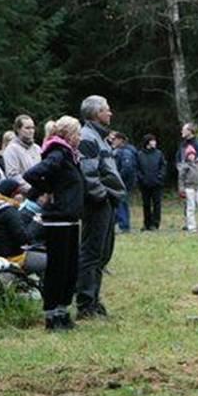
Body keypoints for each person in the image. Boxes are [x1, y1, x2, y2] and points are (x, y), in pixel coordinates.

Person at [24, 115, 85, 331]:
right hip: (57, 220)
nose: (80, 138)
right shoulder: (57, 153)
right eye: (77, 134)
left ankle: (62, 311)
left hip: (70, 218)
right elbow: (32, 174)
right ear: (68, 135)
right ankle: (51, 316)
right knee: (58, 269)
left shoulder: (70, 155)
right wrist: (47, 190)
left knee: (70, 269)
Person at [77, 95, 125, 318]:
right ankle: (86, 305)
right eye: (107, 110)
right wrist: (102, 197)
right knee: (91, 254)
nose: (111, 113)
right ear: (96, 113)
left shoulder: (100, 137)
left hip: (108, 201)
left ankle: (95, 301)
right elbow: (89, 173)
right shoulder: (88, 137)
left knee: (103, 254)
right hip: (98, 204)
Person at [0, 178, 42, 271]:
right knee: (51, 260)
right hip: (12, 258)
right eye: (19, 193)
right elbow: (24, 239)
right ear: (13, 194)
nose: (22, 196)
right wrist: (36, 222)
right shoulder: (9, 211)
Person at [2, 115, 41, 194]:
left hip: (41, 191)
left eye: (33, 128)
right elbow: (13, 175)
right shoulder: (11, 149)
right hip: (24, 195)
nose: (31, 131)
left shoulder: (37, 148)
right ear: (18, 129)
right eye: (27, 128)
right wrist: (32, 190)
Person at [136, 134, 166, 231]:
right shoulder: (140, 154)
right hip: (144, 184)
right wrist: (141, 178)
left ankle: (155, 223)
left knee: (157, 204)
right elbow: (137, 168)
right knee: (146, 204)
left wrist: (159, 178)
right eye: (152, 141)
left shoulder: (159, 154)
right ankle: (147, 223)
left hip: (157, 184)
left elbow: (163, 166)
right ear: (147, 142)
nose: (155, 143)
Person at [111, 132, 137, 233]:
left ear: (120, 140)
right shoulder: (118, 151)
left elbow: (127, 168)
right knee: (121, 203)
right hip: (122, 182)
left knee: (121, 203)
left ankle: (124, 226)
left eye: (115, 139)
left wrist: (118, 178)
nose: (113, 141)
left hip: (123, 182)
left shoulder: (126, 152)